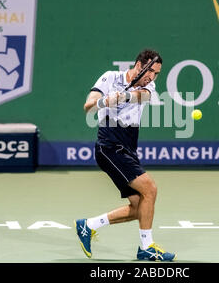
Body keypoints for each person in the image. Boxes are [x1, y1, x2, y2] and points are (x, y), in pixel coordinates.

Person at [75, 49, 176, 261]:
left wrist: (122, 96)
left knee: (140, 207)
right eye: (151, 72)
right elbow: (88, 107)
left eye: (157, 74)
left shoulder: (149, 86)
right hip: (109, 145)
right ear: (139, 65)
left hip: (128, 146)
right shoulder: (110, 77)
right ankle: (147, 248)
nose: (153, 77)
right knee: (150, 188)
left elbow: (143, 96)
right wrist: (104, 102)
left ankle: (89, 225)